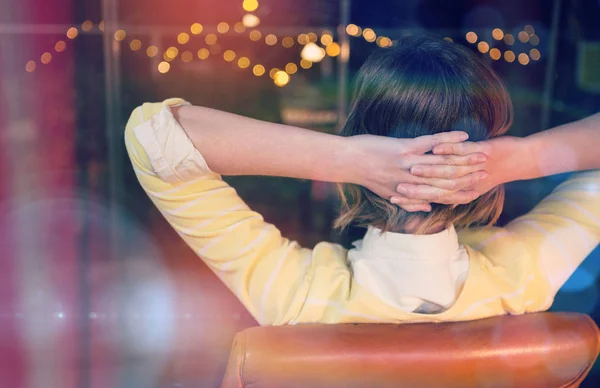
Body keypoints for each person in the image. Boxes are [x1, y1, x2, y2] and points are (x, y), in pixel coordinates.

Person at [124, 36, 599, 325]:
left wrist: (346, 158)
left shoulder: (297, 295)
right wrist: (519, 158)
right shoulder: (524, 276)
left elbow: (154, 137)